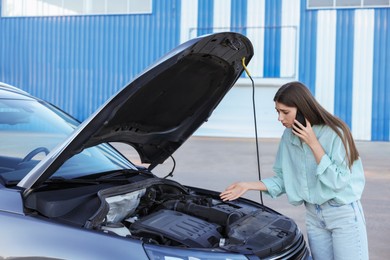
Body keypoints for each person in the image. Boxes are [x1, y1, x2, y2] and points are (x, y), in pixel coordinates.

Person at [220, 81, 368, 260]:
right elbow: (284, 179)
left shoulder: (336, 133)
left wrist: (313, 143)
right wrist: (247, 185)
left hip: (342, 214)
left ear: (303, 109)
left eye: (285, 112)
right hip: (314, 216)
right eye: (277, 111)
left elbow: (337, 182)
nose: (280, 118)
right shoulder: (288, 137)